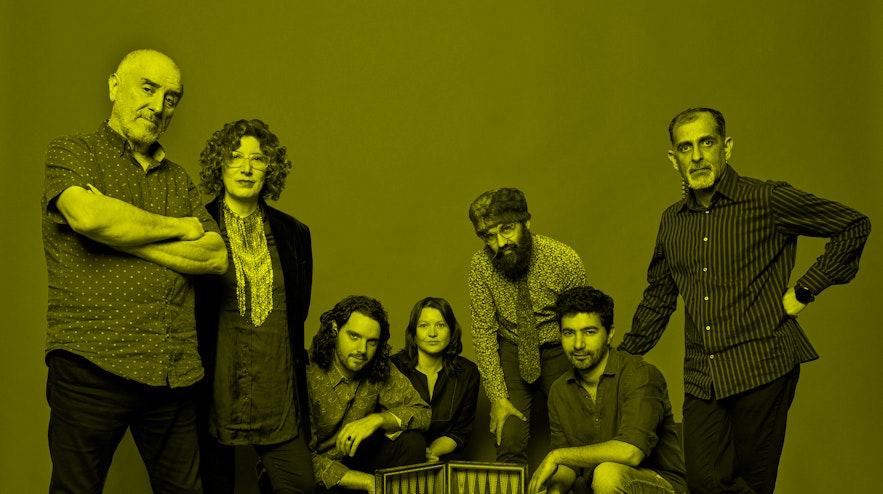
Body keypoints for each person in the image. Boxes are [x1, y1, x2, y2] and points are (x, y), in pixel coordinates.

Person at [620, 107, 871, 493]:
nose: (698, 155)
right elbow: (659, 297)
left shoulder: (766, 199)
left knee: (755, 481)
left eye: (707, 142)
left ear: (727, 147)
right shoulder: (672, 221)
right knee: (703, 480)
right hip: (704, 377)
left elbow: (854, 225)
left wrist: (807, 288)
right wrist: (623, 357)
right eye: (686, 147)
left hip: (763, 364)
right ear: (674, 159)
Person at [41, 49, 228, 493]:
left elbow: (215, 256)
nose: (159, 105)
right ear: (113, 86)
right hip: (92, 364)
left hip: (172, 372)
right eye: (148, 88)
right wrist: (179, 229)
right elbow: (90, 218)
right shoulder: (71, 152)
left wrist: (128, 237)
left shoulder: (179, 180)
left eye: (171, 97)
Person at [194, 119, 315, 493]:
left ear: (270, 169)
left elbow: (298, 313)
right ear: (219, 165)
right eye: (235, 157)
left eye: (258, 159)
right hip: (212, 387)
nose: (246, 168)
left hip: (276, 390)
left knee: (300, 486)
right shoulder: (196, 225)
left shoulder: (295, 233)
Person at [467, 187, 588, 465]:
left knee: (574, 432)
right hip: (511, 350)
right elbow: (483, 333)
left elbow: (582, 324)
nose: (500, 242)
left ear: (526, 223)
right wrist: (497, 398)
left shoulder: (563, 259)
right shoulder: (480, 267)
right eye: (489, 236)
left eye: (507, 229)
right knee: (508, 435)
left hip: (560, 348)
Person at [528, 286, 687, 494]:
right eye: (569, 333)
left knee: (607, 474)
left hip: (661, 486)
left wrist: (556, 456)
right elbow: (569, 465)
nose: (578, 344)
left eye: (589, 332)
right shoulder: (560, 390)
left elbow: (631, 452)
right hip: (594, 489)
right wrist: (554, 489)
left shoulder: (640, 375)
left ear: (610, 333)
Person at [307, 295, 431, 493]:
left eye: (371, 341)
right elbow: (300, 459)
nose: (362, 350)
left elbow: (423, 413)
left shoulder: (378, 367)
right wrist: (367, 482)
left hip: (351, 459)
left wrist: (378, 419)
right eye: (354, 336)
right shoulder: (305, 372)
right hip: (309, 473)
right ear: (334, 329)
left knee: (412, 442)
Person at [391, 297, 481, 462]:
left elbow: (459, 433)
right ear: (413, 332)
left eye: (440, 325)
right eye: (424, 326)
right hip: (401, 455)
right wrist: (416, 452)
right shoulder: (393, 368)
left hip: (443, 455)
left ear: (452, 330)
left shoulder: (468, 373)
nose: (432, 333)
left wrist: (429, 454)